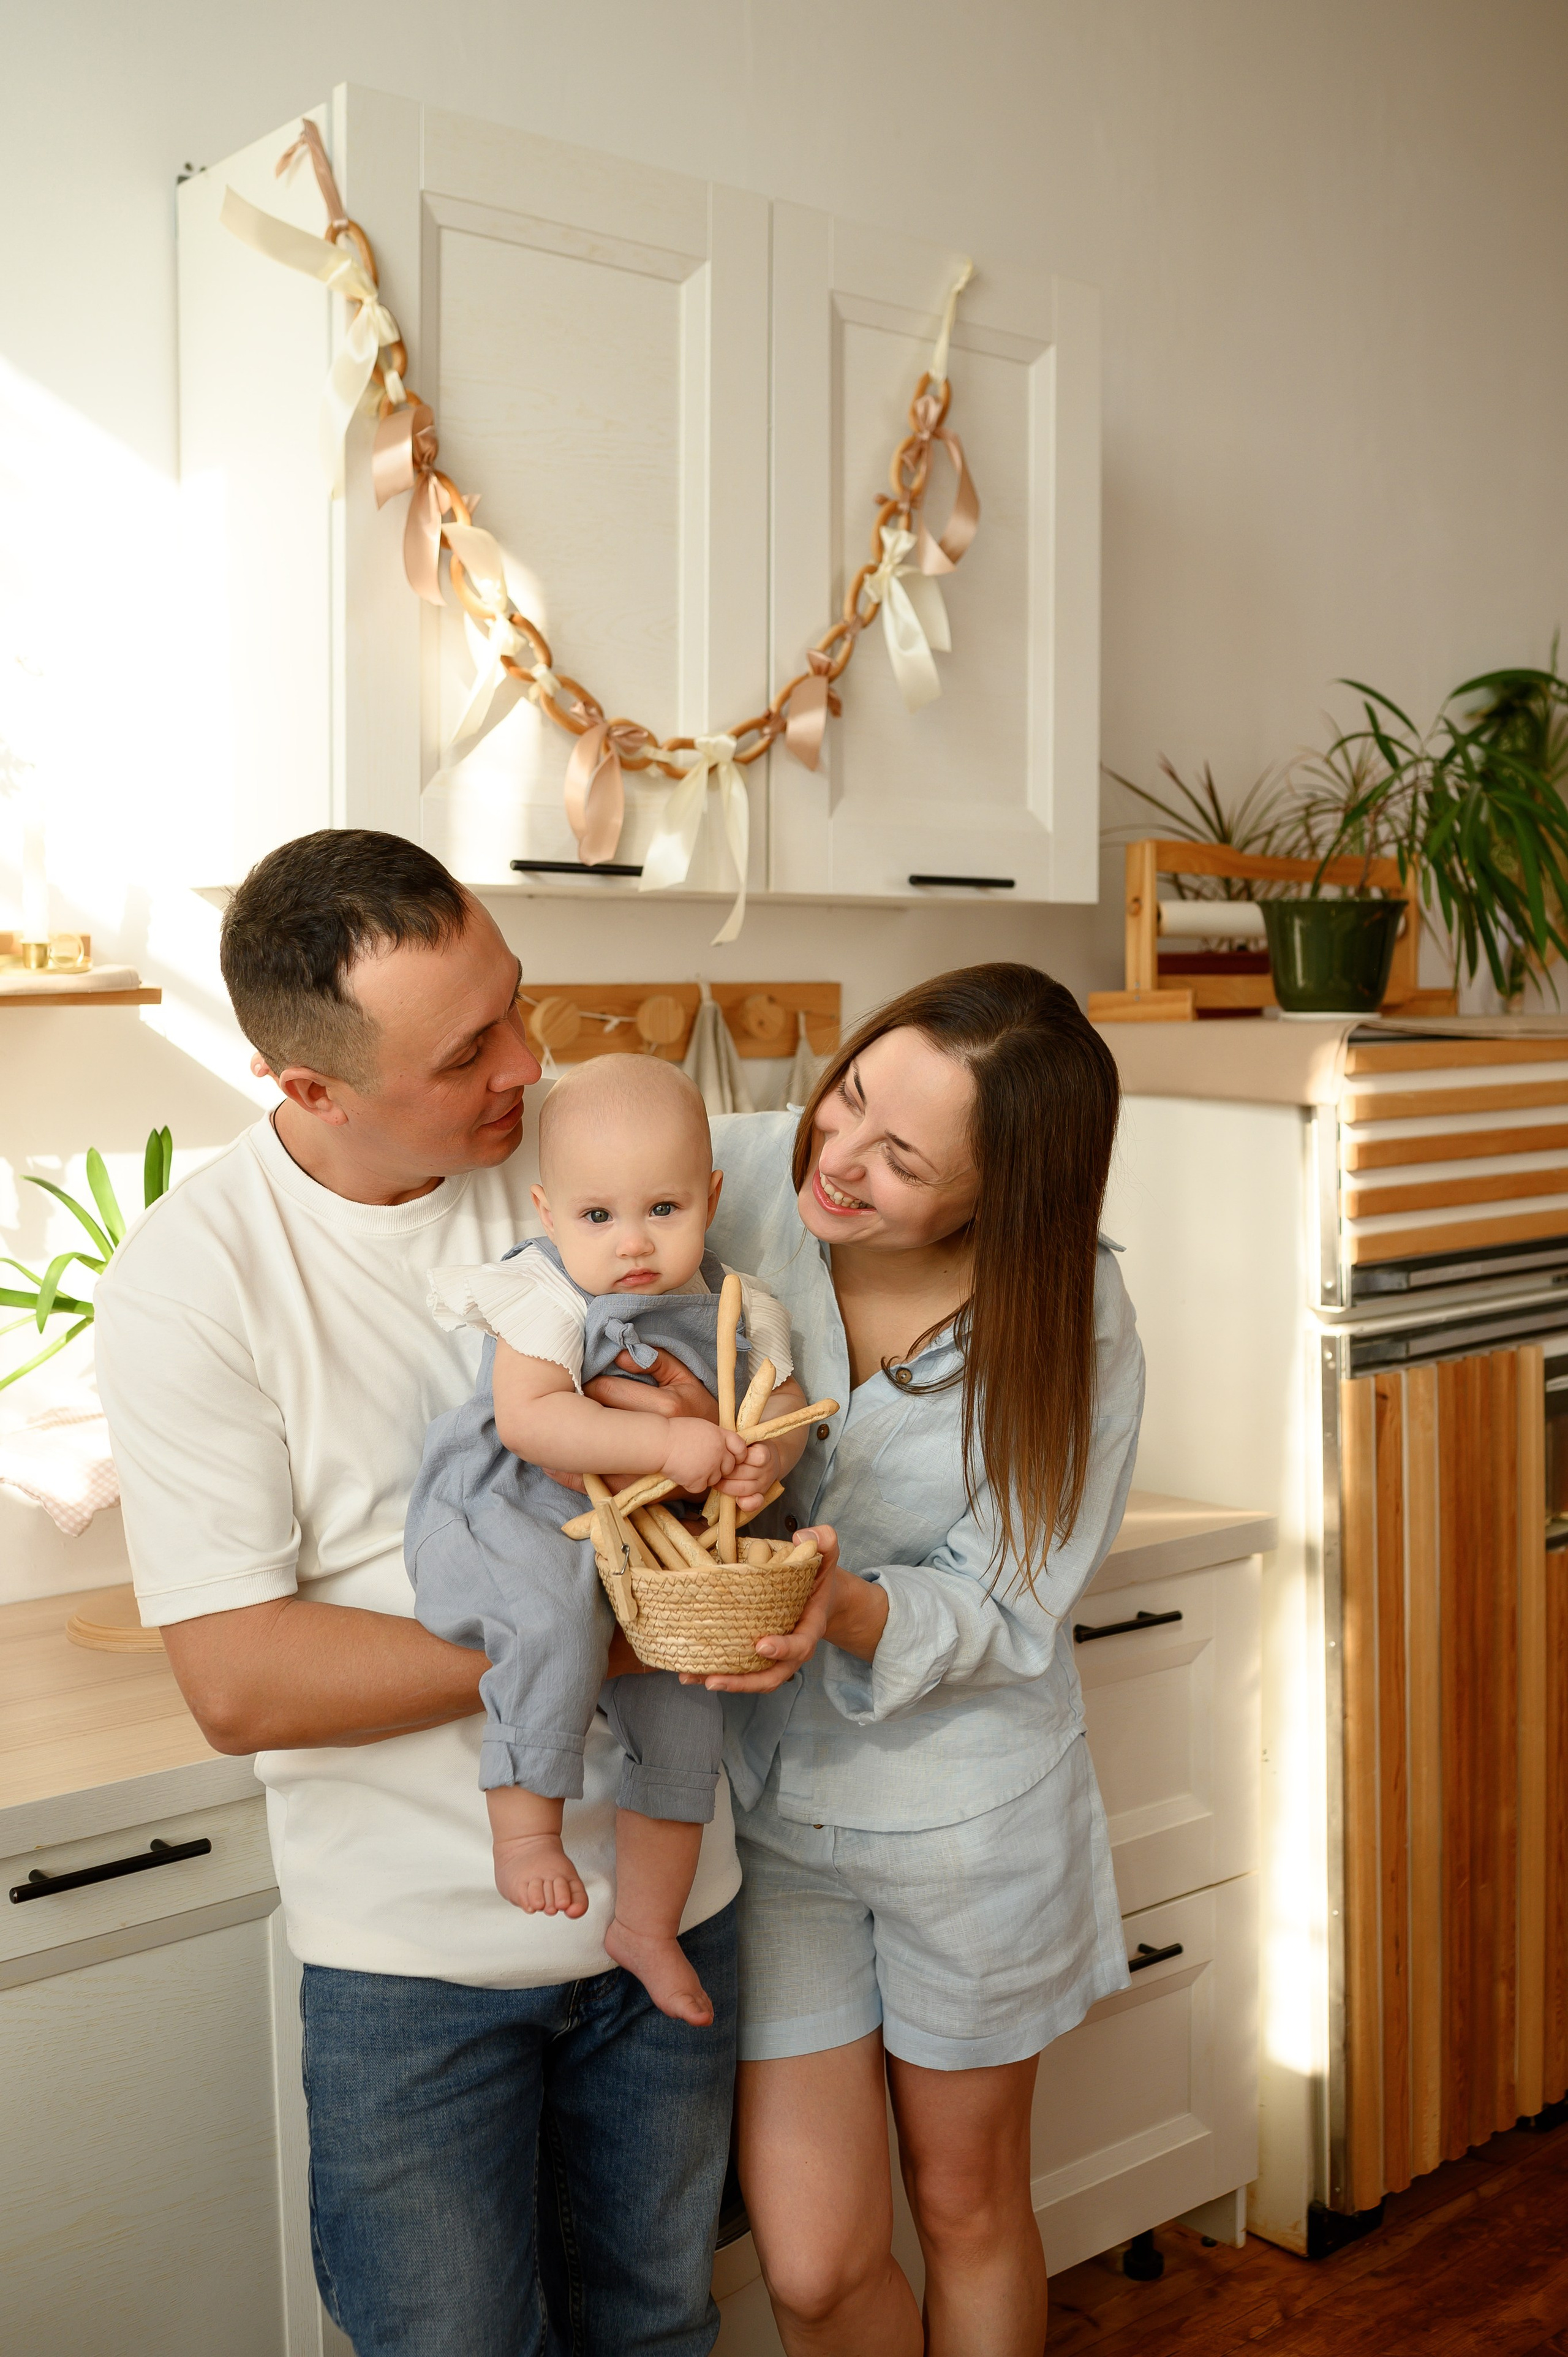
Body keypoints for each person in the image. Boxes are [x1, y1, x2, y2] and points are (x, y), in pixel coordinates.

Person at [93, 830, 820, 2357]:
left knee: (658, 2328)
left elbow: (847, 1242)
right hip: (417, 1970)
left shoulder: (594, 1154)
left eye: (517, 1004)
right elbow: (240, 1681)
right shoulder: (196, 1281)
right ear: (310, 1089)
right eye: (467, 1050)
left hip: (676, 1903)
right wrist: (608, 1635)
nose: (525, 1062)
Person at [650, 962, 1145, 2357]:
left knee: (966, 2198)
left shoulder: (1073, 1322)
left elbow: (1007, 1602)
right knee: (809, 2266)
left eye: (901, 1159)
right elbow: (571, 1265)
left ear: (1004, 1195)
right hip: (778, 1823)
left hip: (968, 1821)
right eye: (849, 1094)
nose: (838, 1160)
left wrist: (846, 1607)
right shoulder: (735, 1175)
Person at [406, 1054, 807, 2026]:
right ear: (548, 1215)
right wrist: (672, 1438)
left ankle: (649, 1924)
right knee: (548, 1621)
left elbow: (784, 1409)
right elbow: (534, 1421)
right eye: (598, 1217)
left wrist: (764, 1462)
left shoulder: (739, 1303)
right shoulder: (542, 1294)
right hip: (520, 1512)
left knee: (688, 1700)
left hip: (653, 1538)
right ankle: (525, 1830)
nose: (633, 1244)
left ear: (710, 1199)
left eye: (663, 1210)